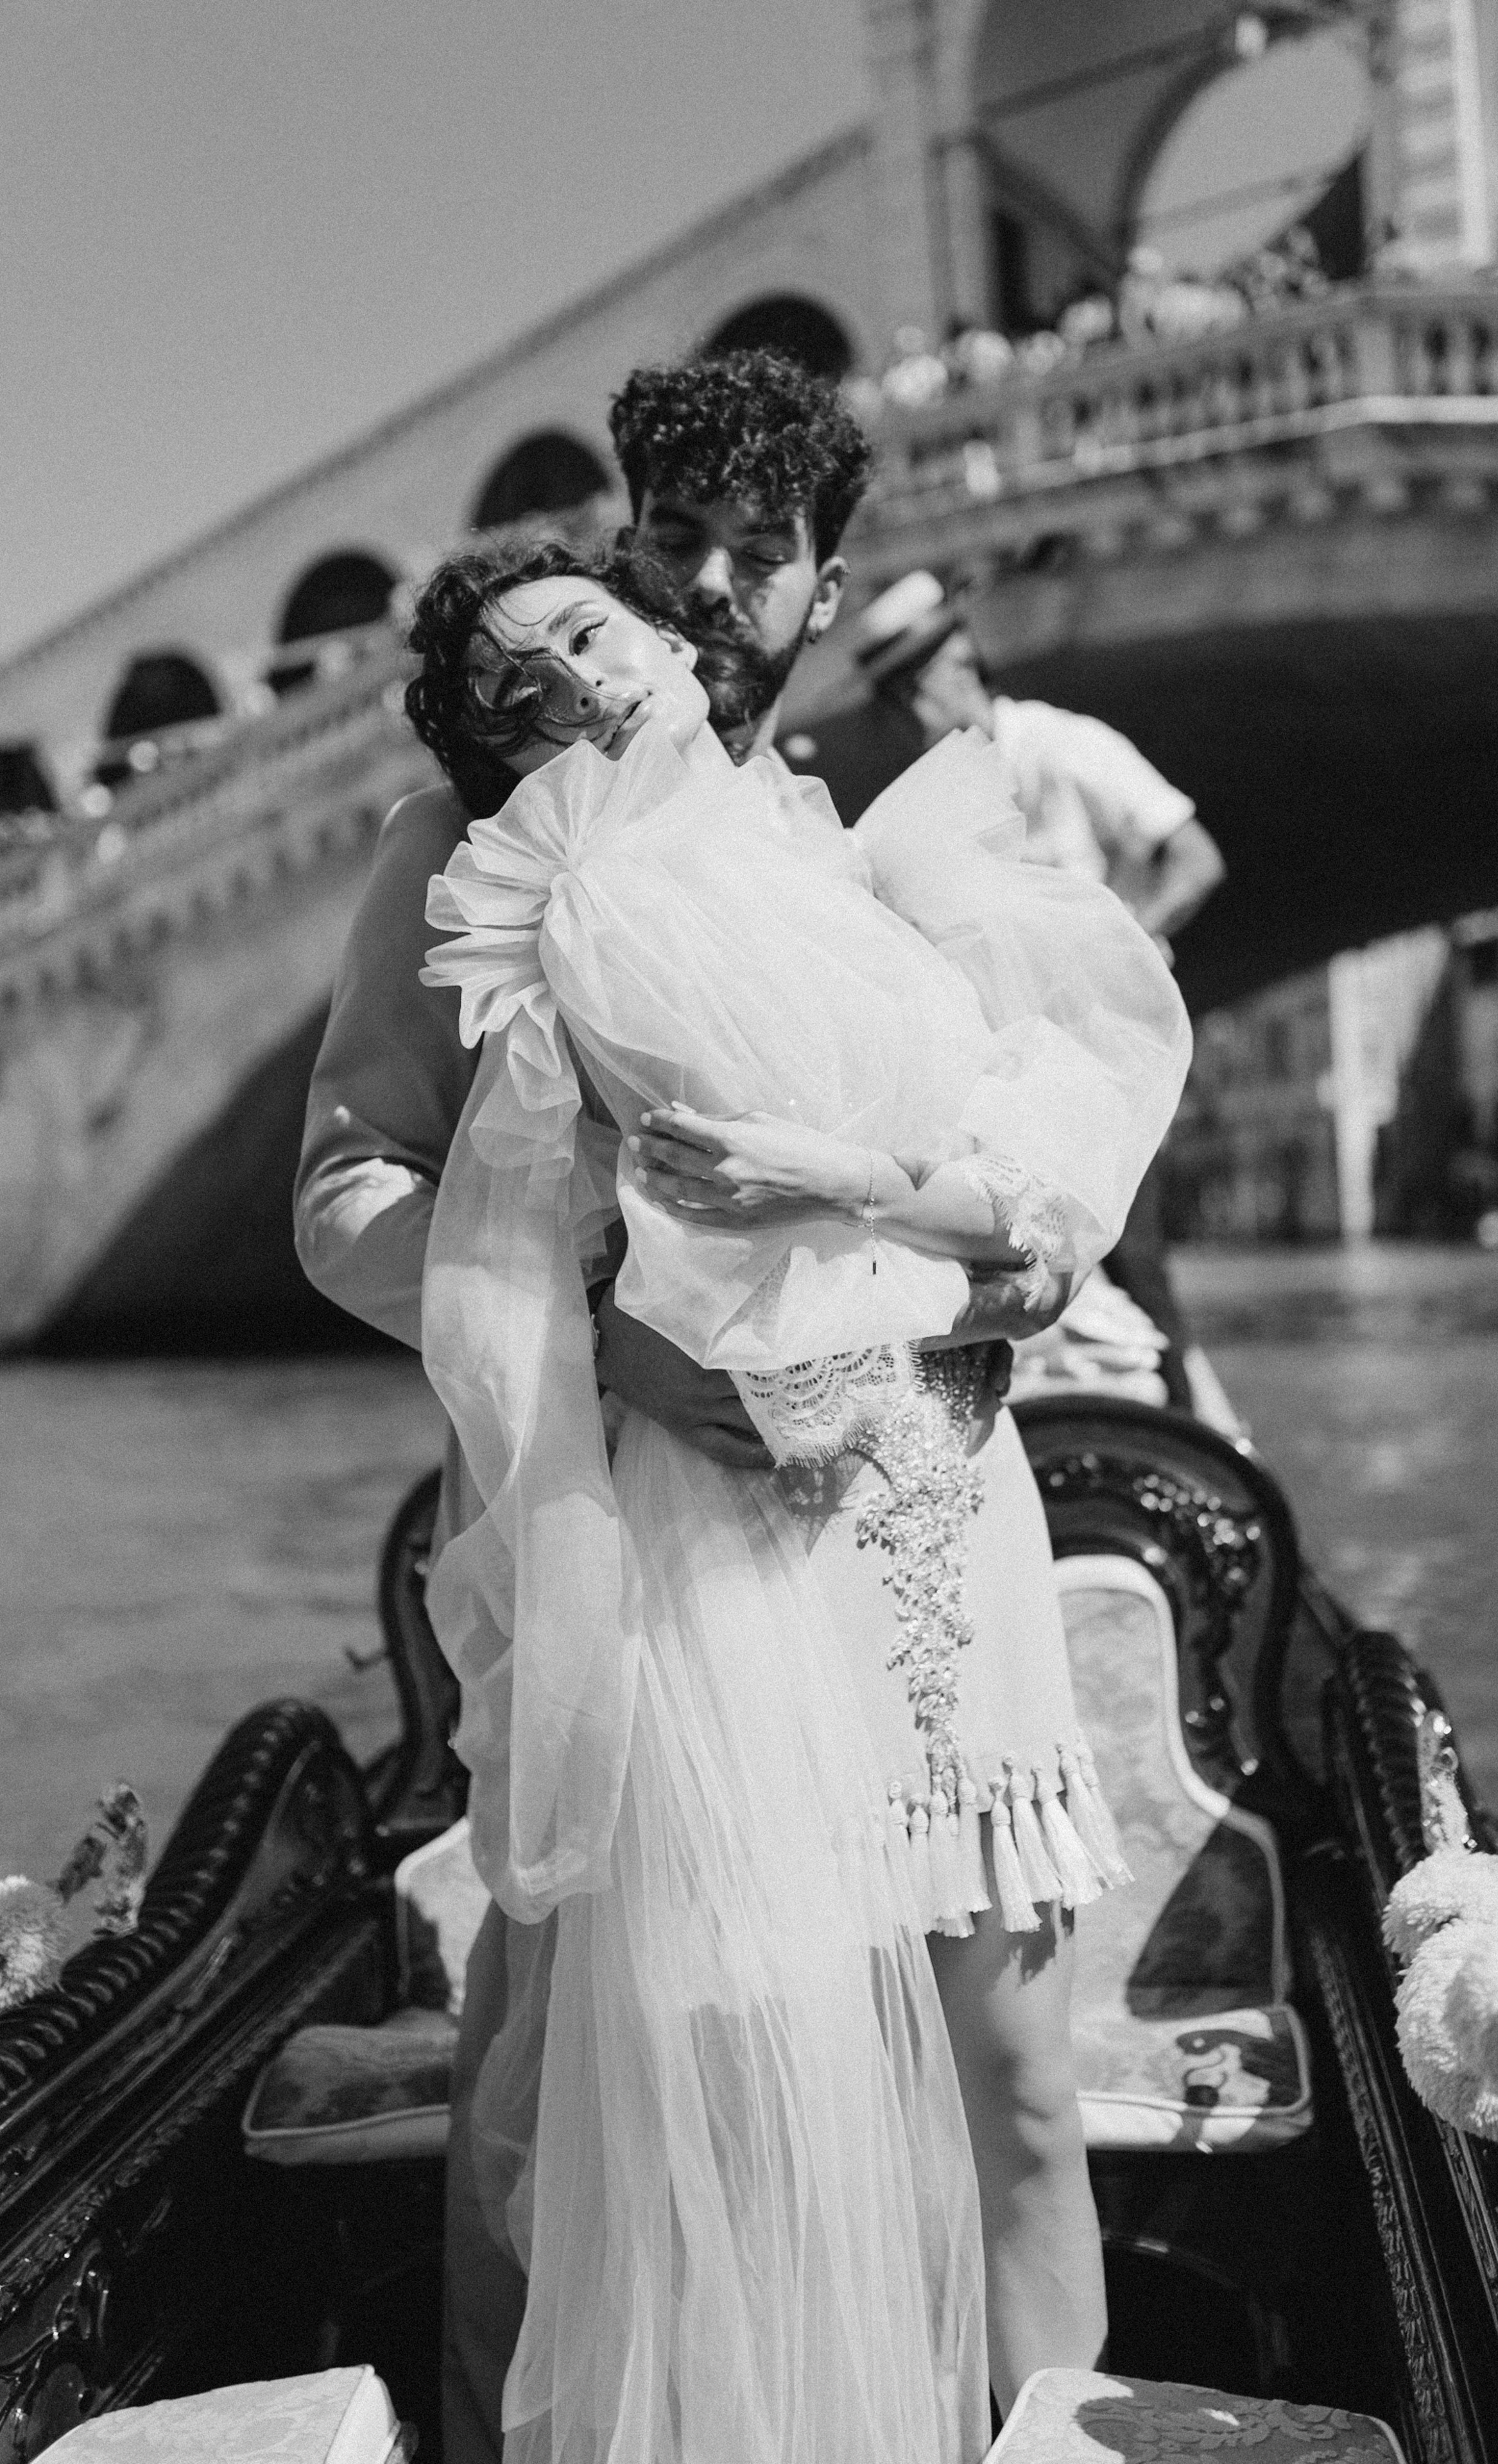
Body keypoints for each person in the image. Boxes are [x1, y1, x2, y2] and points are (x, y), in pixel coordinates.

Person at [292, 354, 1081, 2462]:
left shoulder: (836, 843)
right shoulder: (455, 834)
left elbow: (994, 1171)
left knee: (907, 2061)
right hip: (610, 1538)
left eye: (758, 558)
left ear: (824, 592)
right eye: (672, 549)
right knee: (565, 2082)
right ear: (624, 562)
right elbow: (346, 1187)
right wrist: (608, 1314)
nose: (710, 590)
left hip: (880, 1522)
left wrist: (1006, 1257)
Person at [406, 533, 1189, 2461]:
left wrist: (871, 1196)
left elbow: (1016, 1204)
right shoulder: (570, 915)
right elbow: (540, 1250)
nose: (583, 688)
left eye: (593, 636)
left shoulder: (856, 858)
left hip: (948, 1478)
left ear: (677, 636)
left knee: (1016, 2095)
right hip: (752, 1529)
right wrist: (673, 1333)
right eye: (526, 694)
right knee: (779, 2113)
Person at [854, 569, 1227, 1419]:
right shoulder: (937, 795)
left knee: (1131, 1257)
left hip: (1102, 1066)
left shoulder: (1065, 749)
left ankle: (1187, 1449)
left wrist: (1110, 951)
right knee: (1005, 1264)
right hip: (1007, 1080)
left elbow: (1197, 860)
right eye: (896, 701)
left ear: (960, 666)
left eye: (917, 691)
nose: (909, 721)